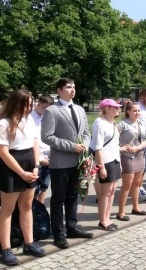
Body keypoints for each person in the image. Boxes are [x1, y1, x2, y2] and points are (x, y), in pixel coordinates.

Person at [41, 78, 93, 249]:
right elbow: (47, 136)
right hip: (61, 162)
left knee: (72, 196)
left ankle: (72, 226)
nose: (72, 90)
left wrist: (85, 144)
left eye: (74, 87)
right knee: (58, 198)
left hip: (77, 161)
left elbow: (86, 131)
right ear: (59, 90)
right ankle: (58, 232)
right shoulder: (52, 111)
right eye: (69, 87)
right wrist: (71, 147)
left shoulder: (79, 109)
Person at [0, 90, 46, 265]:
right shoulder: (4, 123)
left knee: (27, 206)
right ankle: (5, 249)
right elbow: (3, 153)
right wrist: (21, 173)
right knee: (7, 209)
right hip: (12, 166)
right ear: (16, 103)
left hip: (30, 164)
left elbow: (35, 143)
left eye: (31, 103)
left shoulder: (29, 121)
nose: (30, 106)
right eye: (27, 103)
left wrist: (35, 165)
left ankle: (29, 242)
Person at [90, 99, 122, 231]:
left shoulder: (112, 123)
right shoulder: (100, 123)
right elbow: (98, 147)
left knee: (112, 190)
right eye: (115, 107)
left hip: (114, 159)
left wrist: (119, 162)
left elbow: (115, 145)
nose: (118, 109)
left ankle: (107, 218)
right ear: (107, 109)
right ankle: (103, 220)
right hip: (106, 161)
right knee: (105, 192)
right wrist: (101, 166)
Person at [116, 102, 146, 222]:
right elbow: (113, 138)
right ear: (128, 112)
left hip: (140, 155)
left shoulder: (142, 123)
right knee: (127, 185)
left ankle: (136, 207)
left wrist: (139, 148)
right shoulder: (122, 124)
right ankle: (121, 212)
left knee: (137, 184)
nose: (137, 113)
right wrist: (120, 148)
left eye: (138, 111)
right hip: (127, 156)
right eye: (134, 111)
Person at [31, 94, 55, 203]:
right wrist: (40, 158)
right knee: (34, 189)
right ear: (38, 103)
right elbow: (32, 141)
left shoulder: (49, 117)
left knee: (44, 187)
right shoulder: (30, 118)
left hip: (49, 158)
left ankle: (41, 211)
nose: (46, 111)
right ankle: (33, 212)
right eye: (44, 108)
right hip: (35, 158)